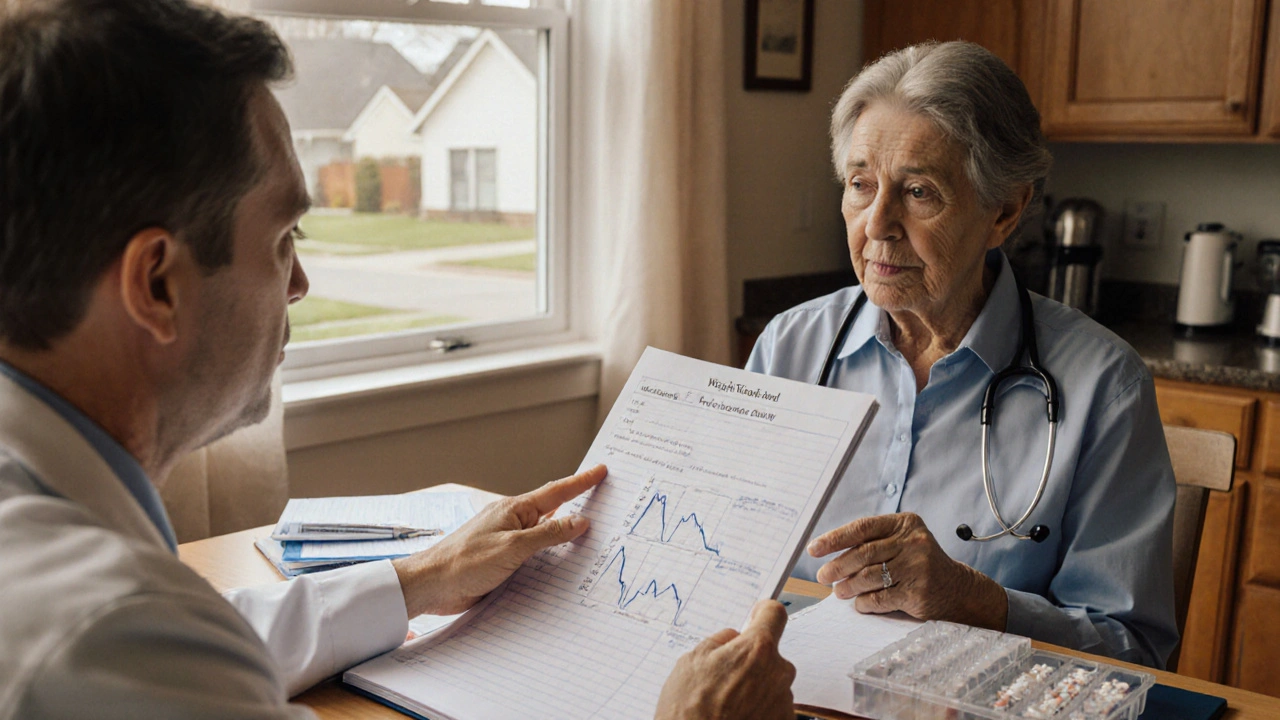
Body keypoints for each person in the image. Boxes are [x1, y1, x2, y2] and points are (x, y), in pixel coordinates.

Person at [0, 1, 795, 718]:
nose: (301, 283)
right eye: (283, 242)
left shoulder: (96, 596)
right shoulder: (100, 634)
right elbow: (156, 645)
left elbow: (200, 638)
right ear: (157, 285)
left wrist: (420, 579)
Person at [746, 41, 1179, 669]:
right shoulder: (789, 348)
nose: (877, 224)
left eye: (919, 192)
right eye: (861, 185)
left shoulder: (1103, 388)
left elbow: (1136, 652)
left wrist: (972, 600)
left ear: (1004, 211)